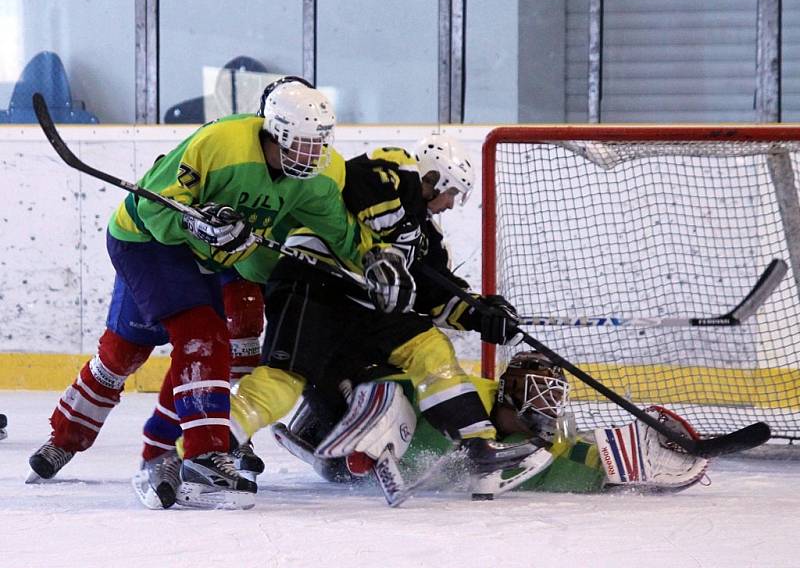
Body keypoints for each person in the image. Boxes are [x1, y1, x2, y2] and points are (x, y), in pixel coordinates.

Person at [27, 77, 370, 510]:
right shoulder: (221, 143)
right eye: (301, 144)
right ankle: (72, 439)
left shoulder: (317, 177)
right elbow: (153, 207)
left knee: (183, 345)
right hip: (146, 240)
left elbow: (341, 235)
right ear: (275, 130)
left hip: (201, 261)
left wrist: (376, 262)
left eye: (318, 144)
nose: (312, 155)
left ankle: (168, 452)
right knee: (153, 347)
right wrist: (193, 221)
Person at [227, 134, 537, 490]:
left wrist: (482, 314)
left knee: (428, 347)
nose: (450, 205)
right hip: (311, 283)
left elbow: (436, 296)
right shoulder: (395, 170)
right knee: (284, 380)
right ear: (434, 178)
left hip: (363, 306)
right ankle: (207, 446)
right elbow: (354, 180)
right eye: (451, 193)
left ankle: (477, 444)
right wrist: (387, 243)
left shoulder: (425, 238)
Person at [278, 350, 710, 495]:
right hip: (341, 443)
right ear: (507, 390)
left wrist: (635, 460)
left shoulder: (541, 447)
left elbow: (586, 460)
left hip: (365, 469)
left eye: (553, 397)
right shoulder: (465, 396)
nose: (544, 407)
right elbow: (403, 381)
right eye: (534, 392)